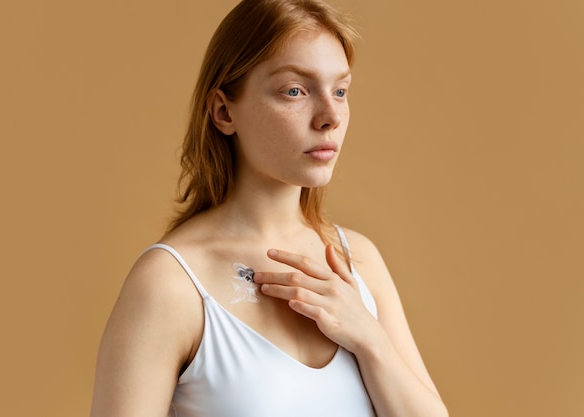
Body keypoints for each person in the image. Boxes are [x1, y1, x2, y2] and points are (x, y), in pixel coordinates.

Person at [90, 0, 448, 416]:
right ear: (224, 111)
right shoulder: (170, 285)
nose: (330, 115)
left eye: (341, 90)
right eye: (295, 90)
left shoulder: (360, 262)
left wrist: (369, 338)